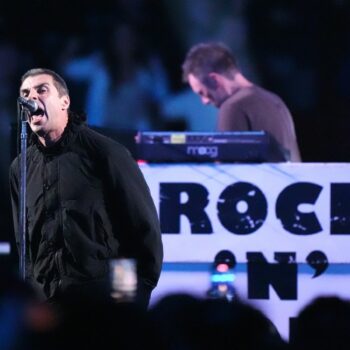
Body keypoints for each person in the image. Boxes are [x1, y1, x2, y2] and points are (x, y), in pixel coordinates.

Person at [9, 68, 163, 309]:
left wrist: (127, 304)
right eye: (26, 93)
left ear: (64, 101)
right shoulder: (21, 167)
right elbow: (23, 246)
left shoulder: (104, 154)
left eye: (42, 90)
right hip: (47, 312)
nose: (32, 98)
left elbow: (141, 235)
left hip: (101, 307)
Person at [182, 42, 302, 162]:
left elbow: (225, 174)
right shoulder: (275, 100)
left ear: (214, 80)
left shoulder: (233, 107)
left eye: (202, 93)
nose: (204, 101)